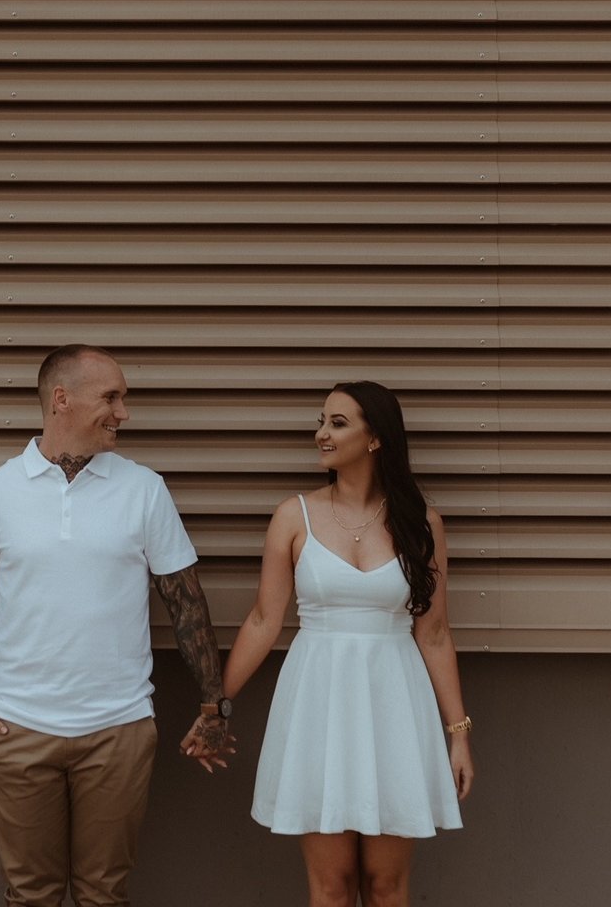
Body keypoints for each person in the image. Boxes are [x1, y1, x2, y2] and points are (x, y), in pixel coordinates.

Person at [0, 343, 232, 907]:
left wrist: (212, 704)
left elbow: (187, 603)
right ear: (61, 399)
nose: (123, 412)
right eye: (112, 398)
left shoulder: (144, 490)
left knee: (104, 895)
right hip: (17, 729)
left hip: (117, 730)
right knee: (30, 895)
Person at [222, 380, 472, 907]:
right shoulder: (294, 516)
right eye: (322, 421)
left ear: (376, 438)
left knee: (386, 886)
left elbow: (434, 632)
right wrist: (216, 703)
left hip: (395, 708)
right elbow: (265, 620)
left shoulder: (421, 522)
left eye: (338, 423)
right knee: (332, 887)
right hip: (319, 706)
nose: (321, 434)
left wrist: (459, 734)